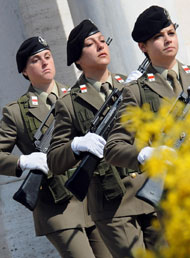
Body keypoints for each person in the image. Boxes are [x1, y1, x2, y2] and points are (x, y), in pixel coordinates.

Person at [104, 3, 190, 248]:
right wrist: (148, 154)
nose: (168, 40)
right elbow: (113, 147)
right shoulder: (135, 92)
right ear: (142, 46)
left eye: (171, 33)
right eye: (158, 36)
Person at [47, 19, 160, 258]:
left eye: (102, 40)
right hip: (113, 205)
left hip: (151, 192)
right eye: (91, 43)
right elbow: (55, 160)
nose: (101, 46)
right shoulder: (69, 103)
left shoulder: (134, 85)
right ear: (78, 59)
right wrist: (76, 146)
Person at [0, 36, 111, 258]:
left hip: (92, 200)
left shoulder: (77, 96)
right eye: (36, 60)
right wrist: (22, 161)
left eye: (48, 57)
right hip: (56, 207)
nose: (45, 63)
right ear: (24, 71)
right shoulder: (16, 112)